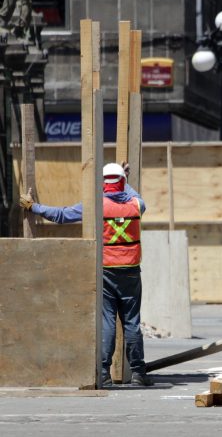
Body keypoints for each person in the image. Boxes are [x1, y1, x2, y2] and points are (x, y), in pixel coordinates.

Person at [19, 162, 154, 387]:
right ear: (122, 182)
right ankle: (139, 373)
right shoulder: (137, 204)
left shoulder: (96, 206)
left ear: (103, 184)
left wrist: (34, 208)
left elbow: (62, 215)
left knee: (108, 321)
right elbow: (130, 192)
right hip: (130, 272)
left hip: (106, 271)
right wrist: (124, 179)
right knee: (131, 322)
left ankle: (103, 373)